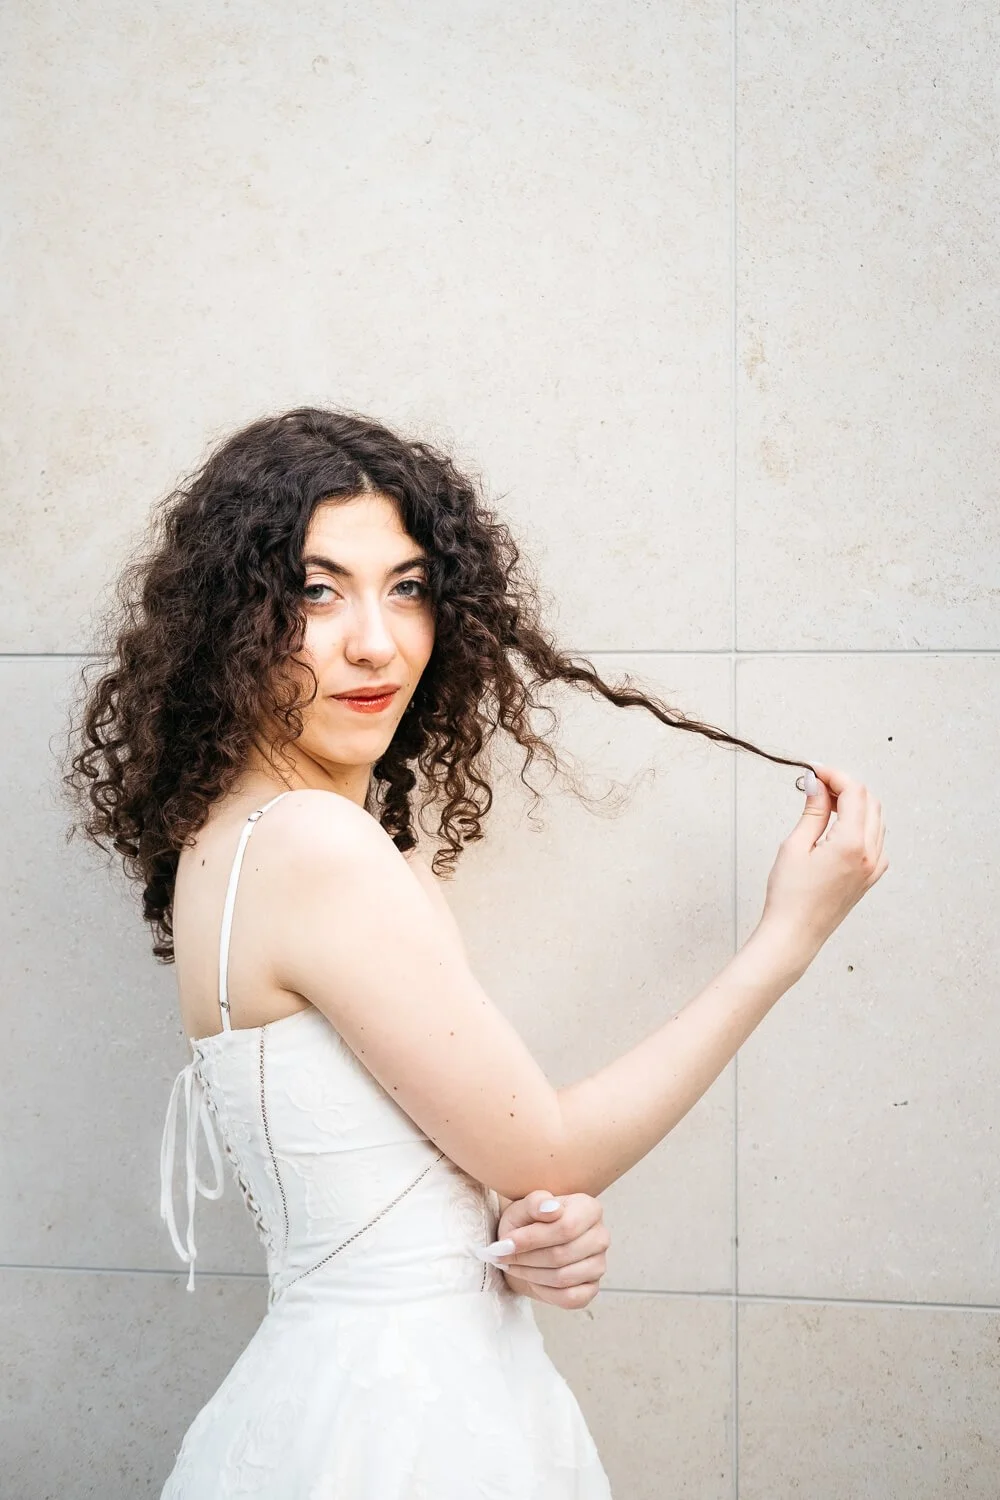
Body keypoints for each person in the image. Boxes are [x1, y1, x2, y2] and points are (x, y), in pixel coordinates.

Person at [64, 406, 887, 1498]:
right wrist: (788, 939)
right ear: (232, 621)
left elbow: (479, 1166)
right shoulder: (313, 845)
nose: (376, 640)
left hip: (366, 1401)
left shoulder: (265, 838)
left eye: (407, 586)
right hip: (401, 1430)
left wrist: (524, 1227)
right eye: (316, 591)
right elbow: (548, 1150)